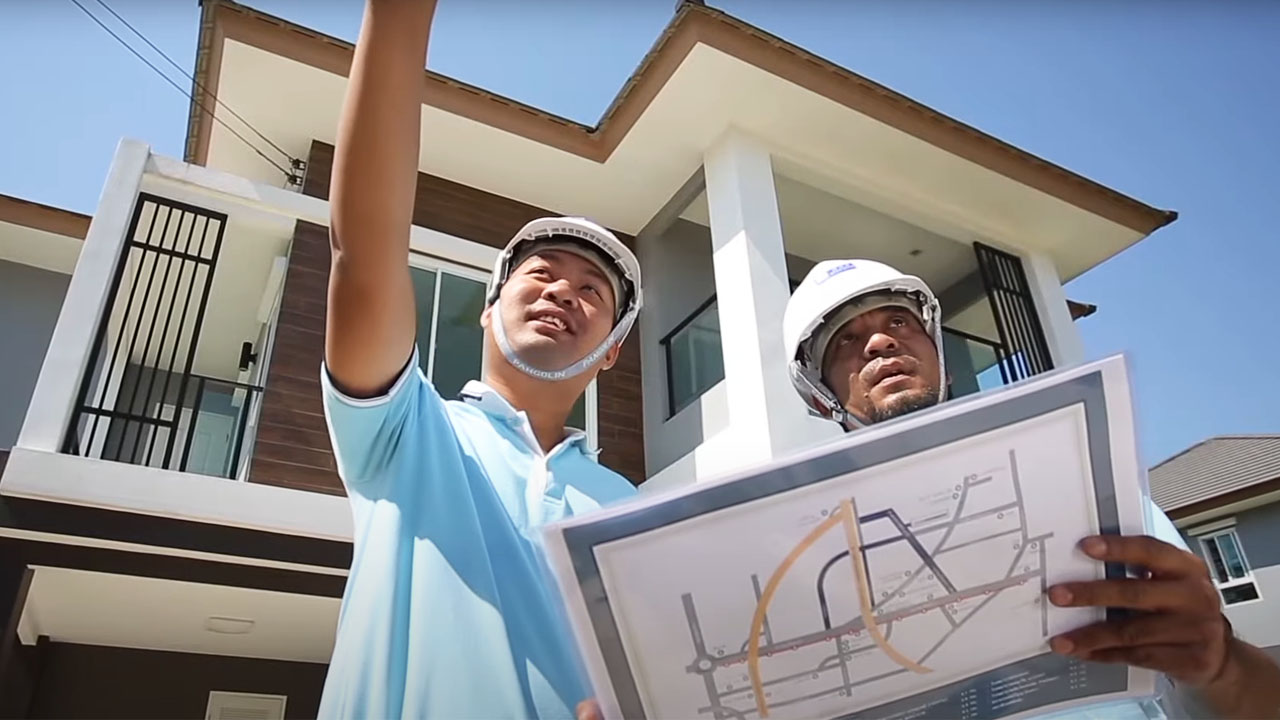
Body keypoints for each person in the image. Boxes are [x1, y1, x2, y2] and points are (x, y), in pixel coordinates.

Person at [318, 1, 642, 717]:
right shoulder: (404, 429)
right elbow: (363, 258)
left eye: (594, 290)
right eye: (541, 272)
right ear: (489, 311)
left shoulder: (635, 508)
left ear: (612, 352)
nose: (564, 290)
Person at [780, 258, 1280, 719]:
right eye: (845, 340)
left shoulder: (1094, 497)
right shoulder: (813, 567)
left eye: (898, 322)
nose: (879, 342)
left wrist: (1221, 667)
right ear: (822, 400)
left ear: (940, 356)